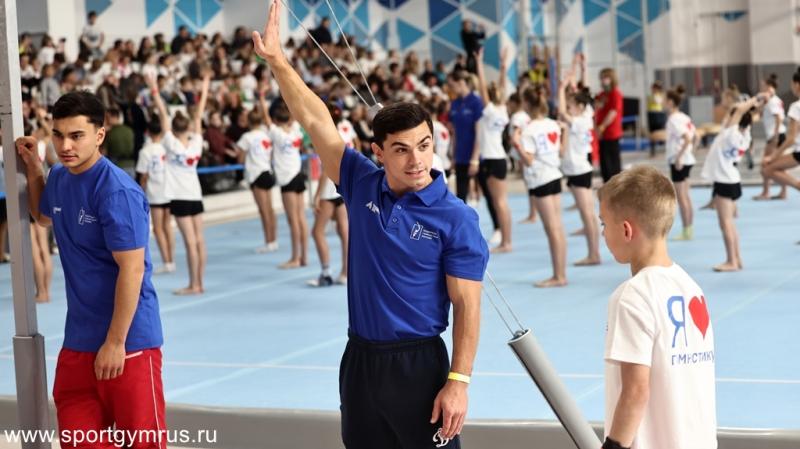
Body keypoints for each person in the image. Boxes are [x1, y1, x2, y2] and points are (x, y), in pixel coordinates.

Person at [253, 2, 489, 448]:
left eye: (424, 145)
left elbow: (467, 304)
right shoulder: (360, 182)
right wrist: (278, 62)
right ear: (378, 152)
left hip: (419, 364)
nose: (416, 159)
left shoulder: (456, 217)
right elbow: (315, 119)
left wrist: (459, 381)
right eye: (401, 149)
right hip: (359, 359)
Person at [16, 91, 166, 448]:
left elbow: (132, 270)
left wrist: (115, 342)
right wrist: (35, 168)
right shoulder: (60, 176)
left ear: (99, 135)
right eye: (58, 135)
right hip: (79, 342)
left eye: (76, 136)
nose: (65, 145)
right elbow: (42, 215)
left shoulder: (117, 192)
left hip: (129, 343)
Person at [597, 165, 716, 449]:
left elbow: (636, 390)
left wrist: (613, 446)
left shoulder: (632, 296)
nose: (602, 233)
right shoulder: (691, 288)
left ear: (626, 230)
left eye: (604, 224)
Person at [147, 72, 210, 295]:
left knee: (190, 243)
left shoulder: (170, 143)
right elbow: (199, 115)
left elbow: (163, 113)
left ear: (173, 130)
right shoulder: (196, 143)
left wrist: (154, 88)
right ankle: (200, 282)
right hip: (195, 196)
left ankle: (194, 284)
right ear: (188, 128)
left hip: (180, 197)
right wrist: (204, 88)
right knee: (199, 241)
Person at [513, 87, 567, 288]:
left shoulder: (529, 130)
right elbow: (561, 151)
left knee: (552, 229)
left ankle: (558, 275)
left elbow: (528, 161)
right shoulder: (552, 124)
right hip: (554, 176)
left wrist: (517, 144)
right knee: (557, 227)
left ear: (527, 104)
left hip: (541, 179)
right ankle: (560, 274)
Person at [701, 97, 759, 272]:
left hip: (725, 181)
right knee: (730, 224)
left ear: (735, 119)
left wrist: (755, 99)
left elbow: (739, 111)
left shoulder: (729, 134)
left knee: (725, 224)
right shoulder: (745, 136)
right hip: (732, 180)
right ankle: (737, 258)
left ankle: (731, 261)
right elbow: (738, 115)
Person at [308, 102, 353, 287]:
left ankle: (326, 273)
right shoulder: (346, 130)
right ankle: (346, 272)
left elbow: (327, 169)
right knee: (344, 231)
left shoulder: (326, 135)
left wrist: (316, 196)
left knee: (317, 231)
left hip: (330, 189)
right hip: (346, 186)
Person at [557, 76, 600, 266]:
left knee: (588, 214)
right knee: (588, 214)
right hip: (579, 169)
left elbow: (561, 112)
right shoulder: (586, 115)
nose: (568, 109)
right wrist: (572, 81)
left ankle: (594, 254)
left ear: (580, 107)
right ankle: (594, 252)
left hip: (579, 170)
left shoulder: (580, 121)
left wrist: (561, 88)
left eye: (571, 106)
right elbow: (579, 100)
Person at [472, 47, 511, 252]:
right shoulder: (502, 110)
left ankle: (507, 242)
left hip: (494, 159)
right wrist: (503, 67)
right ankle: (506, 240)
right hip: (497, 159)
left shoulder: (490, 111)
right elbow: (501, 88)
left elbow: (482, 89)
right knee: (499, 202)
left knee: (500, 203)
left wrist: (479, 63)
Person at [268, 98, 309, 269]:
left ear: (276, 120)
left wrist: (262, 99)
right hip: (298, 176)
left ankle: (295, 258)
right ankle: (304, 256)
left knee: (293, 220)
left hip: (287, 179)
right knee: (301, 218)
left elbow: (266, 119)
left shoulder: (277, 133)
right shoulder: (295, 131)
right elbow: (295, 115)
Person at [236, 92, 278, 254]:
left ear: (248, 122)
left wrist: (243, 156)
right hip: (267, 171)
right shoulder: (265, 135)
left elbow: (240, 159)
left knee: (264, 211)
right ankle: (273, 240)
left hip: (256, 174)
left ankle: (269, 242)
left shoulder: (246, 137)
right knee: (270, 209)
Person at [136, 117, 175, 274]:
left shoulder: (145, 151)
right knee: (167, 226)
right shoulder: (167, 148)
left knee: (158, 228)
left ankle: (167, 262)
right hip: (169, 190)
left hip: (155, 193)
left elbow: (143, 176)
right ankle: (171, 260)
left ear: (148, 132)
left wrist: (140, 192)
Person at [663, 86, 696, 241]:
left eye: (664, 100)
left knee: (681, 198)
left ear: (670, 102)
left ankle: (686, 230)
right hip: (687, 159)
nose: (662, 102)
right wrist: (690, 152)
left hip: (679, 161)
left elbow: (687, 138)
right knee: (686, 196)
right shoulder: (684, 117)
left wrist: (678, 157)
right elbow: (695, 136)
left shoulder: (673, 119)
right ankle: (689, 229)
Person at [763, 68, 800, 203]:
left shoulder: (796, 107)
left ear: (797, 85)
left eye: (791, 84)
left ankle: (797, 186)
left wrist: (773, 156)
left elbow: (791, 139)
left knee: (768, 169)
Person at [448, 71, 483, 203]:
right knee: (460, 197)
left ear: (461, 82)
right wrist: (453, 156)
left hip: (477, 157)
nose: (451, 88)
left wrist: (475, 159)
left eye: (452, 85)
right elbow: (455, 133)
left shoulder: (476, 102)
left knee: (490, 197)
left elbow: (479, 132)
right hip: (460, 157)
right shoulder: (454, 104)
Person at [753, 74, 788, 201]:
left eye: (763, 86)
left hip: (775, 136)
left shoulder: (773, 101)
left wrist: (775, 136)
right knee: (778, 165)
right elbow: (759, 114)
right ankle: (783, 191)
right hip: (778, 134)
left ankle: (766, 192)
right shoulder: (773, 100)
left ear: (768, 86)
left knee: (765, 164)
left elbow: (778, 118)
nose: (761, 88)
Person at [508, 92, 537, 224]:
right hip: (529, 150)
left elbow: (517, 133)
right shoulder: (526, 115)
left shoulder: (516, 117)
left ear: (515, 103)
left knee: (530, 183)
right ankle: (533, 212)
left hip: (523, 151)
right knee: (531, 182)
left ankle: (533, 214)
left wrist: (515, 145)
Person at [594, 68, 623, 182]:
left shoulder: (615, 94)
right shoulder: (602, 94)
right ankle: (606, 183)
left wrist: (602, 126)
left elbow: (613, 113)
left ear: (612, 79)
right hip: (602, 134)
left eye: (605, 78)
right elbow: (596, 106)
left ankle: (616, 185)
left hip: (611, 133)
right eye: (601, 78)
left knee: (613, 163)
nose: (602, 80)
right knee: (604, 163)